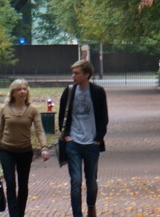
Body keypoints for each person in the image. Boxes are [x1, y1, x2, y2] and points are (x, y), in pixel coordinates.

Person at [59, 60, 109, 217]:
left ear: (87, 75)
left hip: (92, 143)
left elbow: (103, 117)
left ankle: (91, 206)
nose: (73, 76)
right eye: (73, 73)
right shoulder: (69, 91)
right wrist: (66, 135)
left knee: (91, 182)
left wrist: (98, 139)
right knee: (76, 181)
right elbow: (62, 116)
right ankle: (77, 214)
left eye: (76, 73)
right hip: (73, 143)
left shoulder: (98, 92)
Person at [0, 79, 50, 217]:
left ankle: (20, 213)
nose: (23, 92)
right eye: (19, 89)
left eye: (25, 89)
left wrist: (44, 147)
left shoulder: (32, 110)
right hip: (6, 150)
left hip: (25, 151)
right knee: (10, 183)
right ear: (13, 93)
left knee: (23, 185)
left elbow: (39, 130)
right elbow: (0, 131)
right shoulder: (5, 109)